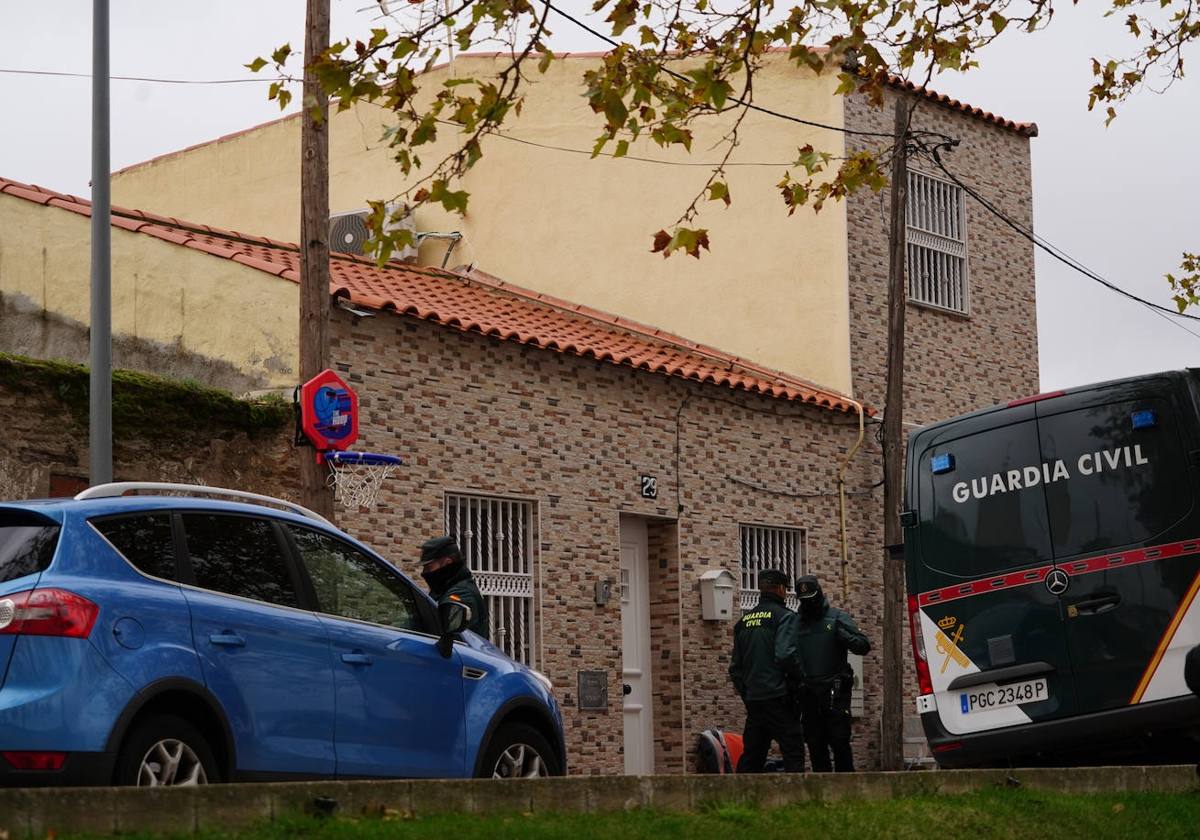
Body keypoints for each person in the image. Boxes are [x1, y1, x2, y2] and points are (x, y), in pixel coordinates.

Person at [728, 568, 806, 773]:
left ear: (761, 589)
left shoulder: (743, 623)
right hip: (780, 698)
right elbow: (786, 655)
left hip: (755, 700)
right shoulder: (785, 617)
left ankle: (742, 800)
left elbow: (735, 669)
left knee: (753, 755)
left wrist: (748, 693)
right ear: (781, 589)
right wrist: (800, 682)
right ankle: (796, 801)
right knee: (793, 751)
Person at [794, 574, 870, 772]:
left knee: (839, 741)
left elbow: (863, 645)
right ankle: (822, 793)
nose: (808, 604)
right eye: (804, 601)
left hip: (835, 692)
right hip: (809, 693)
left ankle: (846, 790)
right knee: (815, 744)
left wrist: (842, 635)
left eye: (811, 599)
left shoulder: (836, 618)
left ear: (819, 594)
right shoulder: (795, 623)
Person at [419, 536, 489, 638]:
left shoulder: (461, 594)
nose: (424, 573)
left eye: (429, 567)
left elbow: (450, 636)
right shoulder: (443, 590)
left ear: (447, 563)